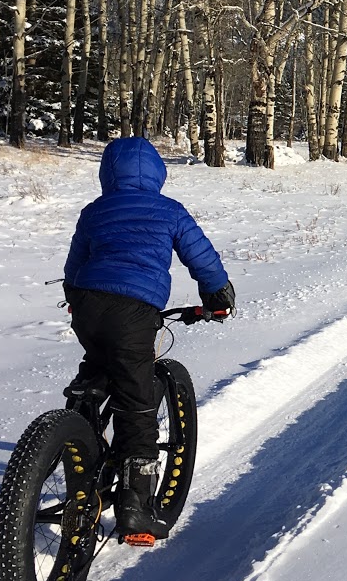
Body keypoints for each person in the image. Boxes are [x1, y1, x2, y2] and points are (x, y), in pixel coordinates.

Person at [63, 137, 235, 543]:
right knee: (137, 406)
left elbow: (74, 264)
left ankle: (77, 437)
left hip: (88, 305)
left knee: (101, 363)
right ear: (158, 174)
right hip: (134, 310)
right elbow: (201, 256)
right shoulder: (168, 210)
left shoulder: (94, 211)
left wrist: (75, 298)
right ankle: (136, 510)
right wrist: (217, 293)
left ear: (107, 174)